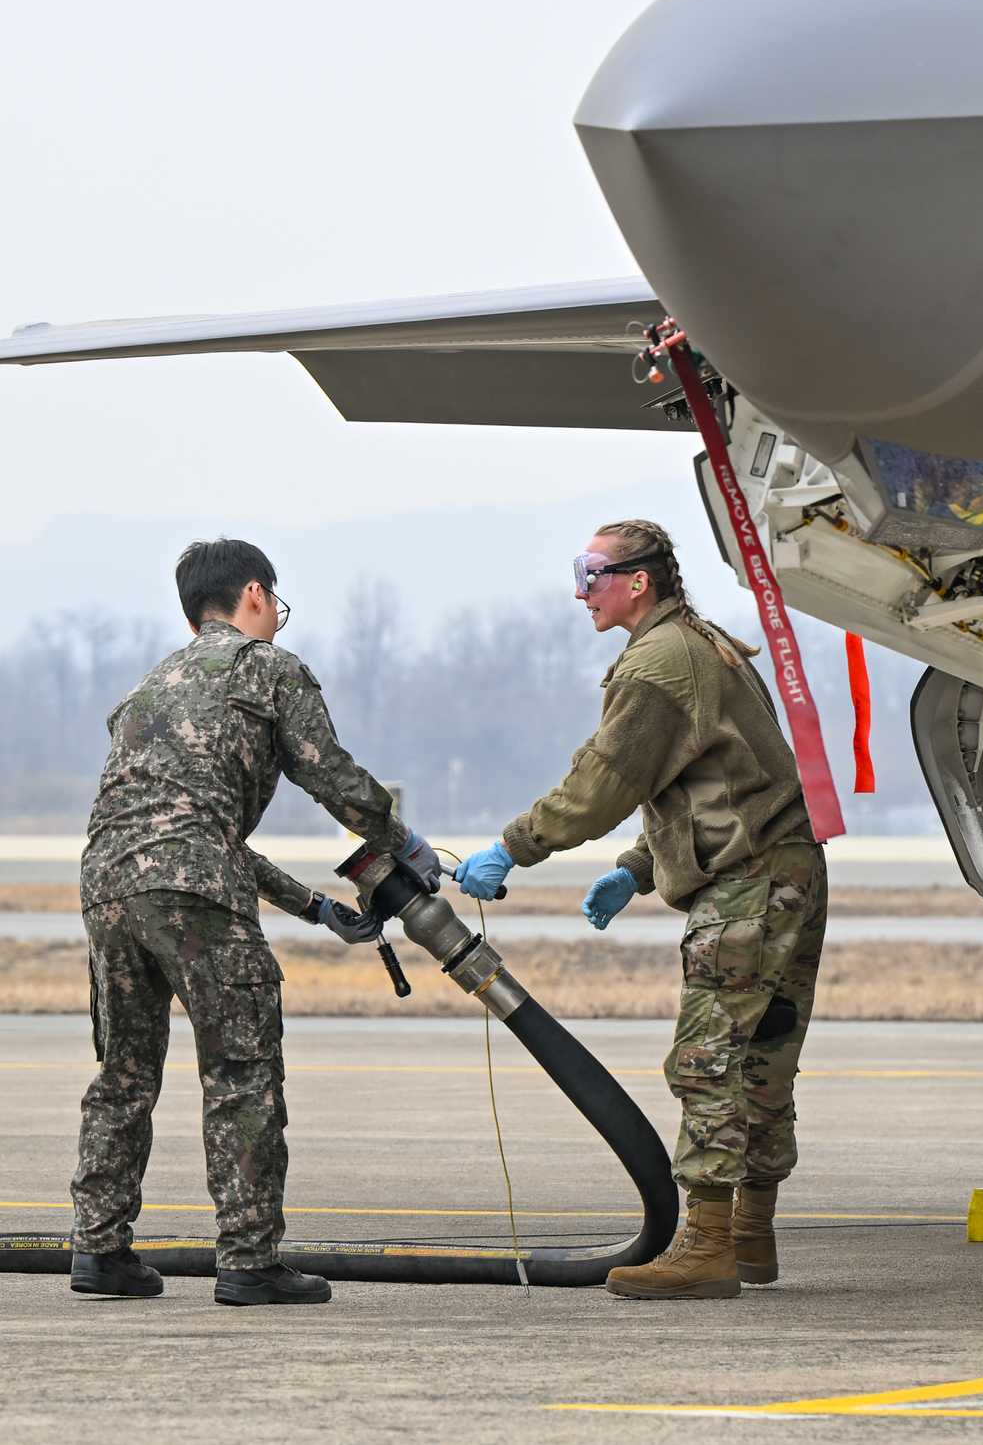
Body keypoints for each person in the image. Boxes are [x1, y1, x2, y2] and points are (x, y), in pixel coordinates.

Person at [455, 518, 826, 1300]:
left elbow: (603, 782)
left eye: (592, 572)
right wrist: (638, 865)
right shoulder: (696, 642)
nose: (579, 590)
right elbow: (708, 778)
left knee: (709, 1058)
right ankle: (752, 1234)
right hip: (785, 870)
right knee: (762, 1058)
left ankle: (708, 1245)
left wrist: (513, 847)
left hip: (748, 886)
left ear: (639, 580)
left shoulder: (658, 663)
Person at [69, 538, 443, 1307]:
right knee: (241, 1073)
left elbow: (198, 835)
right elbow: (327, 772)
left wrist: (316, 908)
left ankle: (100, 1250)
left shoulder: (147, 690)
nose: (276, 616)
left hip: (107, 887)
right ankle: (248, 1259)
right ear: (253, 594)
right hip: (195, 888)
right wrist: (398, 838)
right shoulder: (268, 668)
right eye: (275, 603)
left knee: (123, 1075)